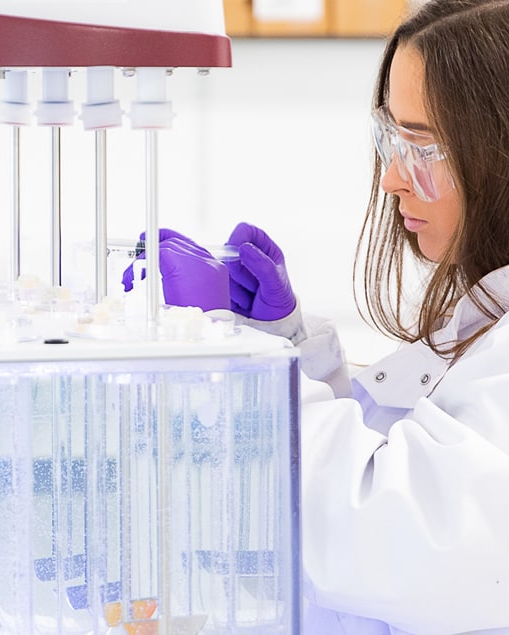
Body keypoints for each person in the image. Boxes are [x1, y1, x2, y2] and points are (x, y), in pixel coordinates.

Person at [122, 0, 509, 632]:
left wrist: (228, 358)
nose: (391, 179)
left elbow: (396, 540)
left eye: (424, 147)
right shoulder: (485, 314)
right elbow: (395, 454)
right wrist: (281, 345)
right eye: (391, 139)